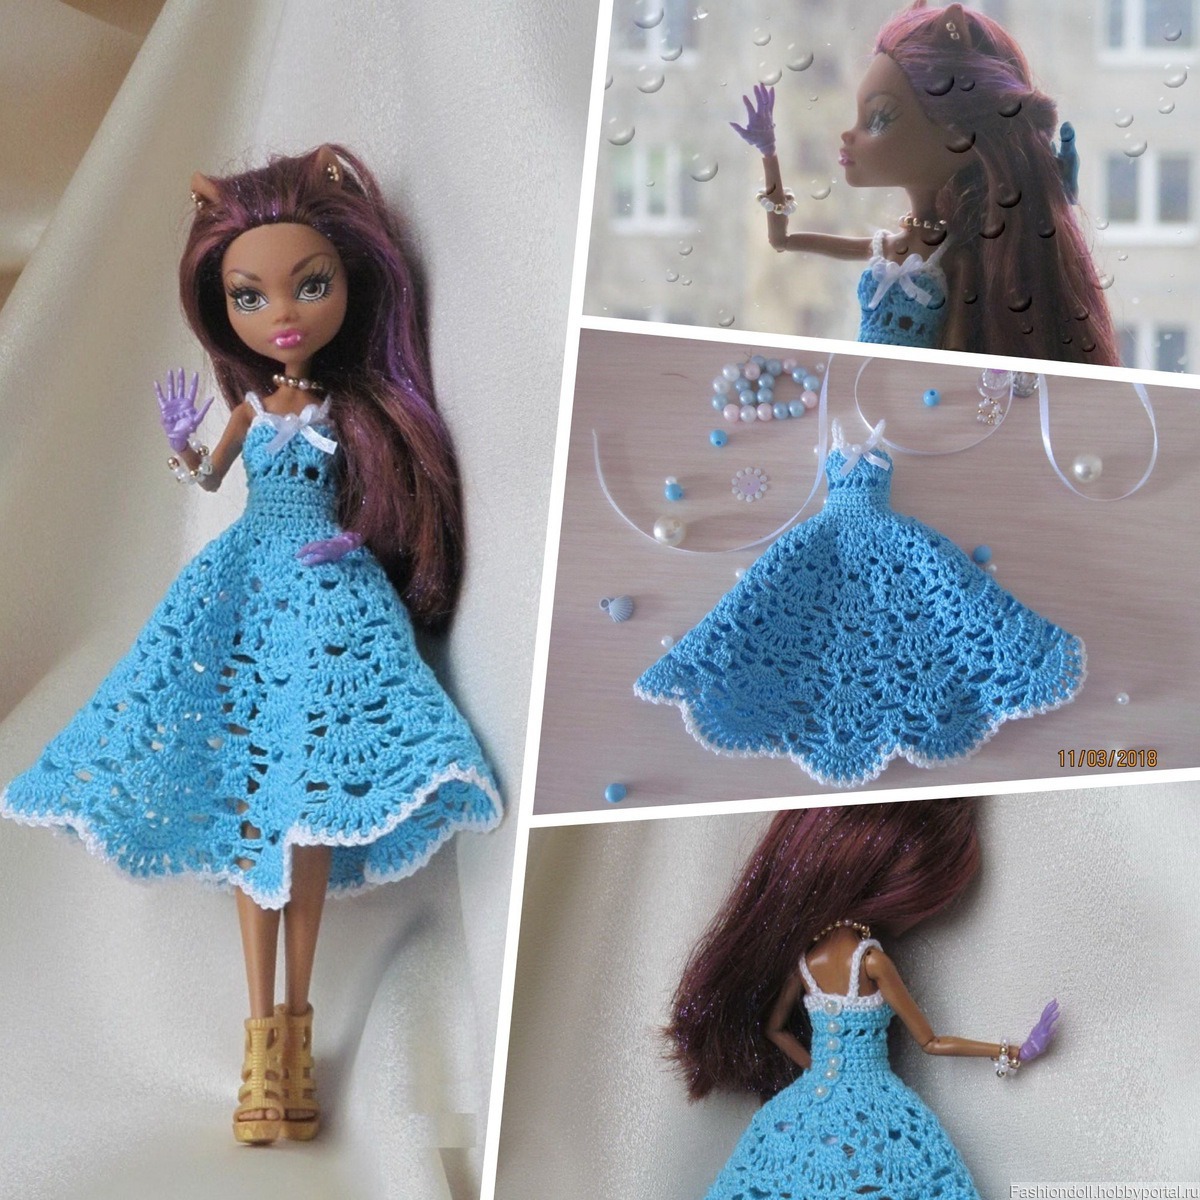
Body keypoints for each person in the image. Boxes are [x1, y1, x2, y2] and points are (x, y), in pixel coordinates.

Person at [1, 145, 502, 1145]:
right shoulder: (249, 409)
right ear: (219, 302)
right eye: (249, 294)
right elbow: (205, 477)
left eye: (309, 285)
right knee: (248, 804)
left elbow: (382, 486)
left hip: (326, 588)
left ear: (351, 283)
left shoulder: (348, 410)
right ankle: (258, 1048)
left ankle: (293, 1040)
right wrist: (183, 446)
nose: (281, 313)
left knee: (301, 808)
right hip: (241, 588)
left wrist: (361, 536)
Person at [667, 800, 1058, 1198]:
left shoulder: (807, 963)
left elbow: (774, 1029)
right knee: (907, 1174)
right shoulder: (871, 961)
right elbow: (931, 1042)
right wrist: (1009, 1051)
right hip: (874, 1096)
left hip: (813, 1094)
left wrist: (823, 1071)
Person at [732, 1, 1118, 363]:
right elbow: (781, 239)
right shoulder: (889, 247)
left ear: (957, 137)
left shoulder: (955, 258)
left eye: (878, 119)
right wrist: (768, 152)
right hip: (866, 388)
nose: (848, 135)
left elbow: (956, 349)